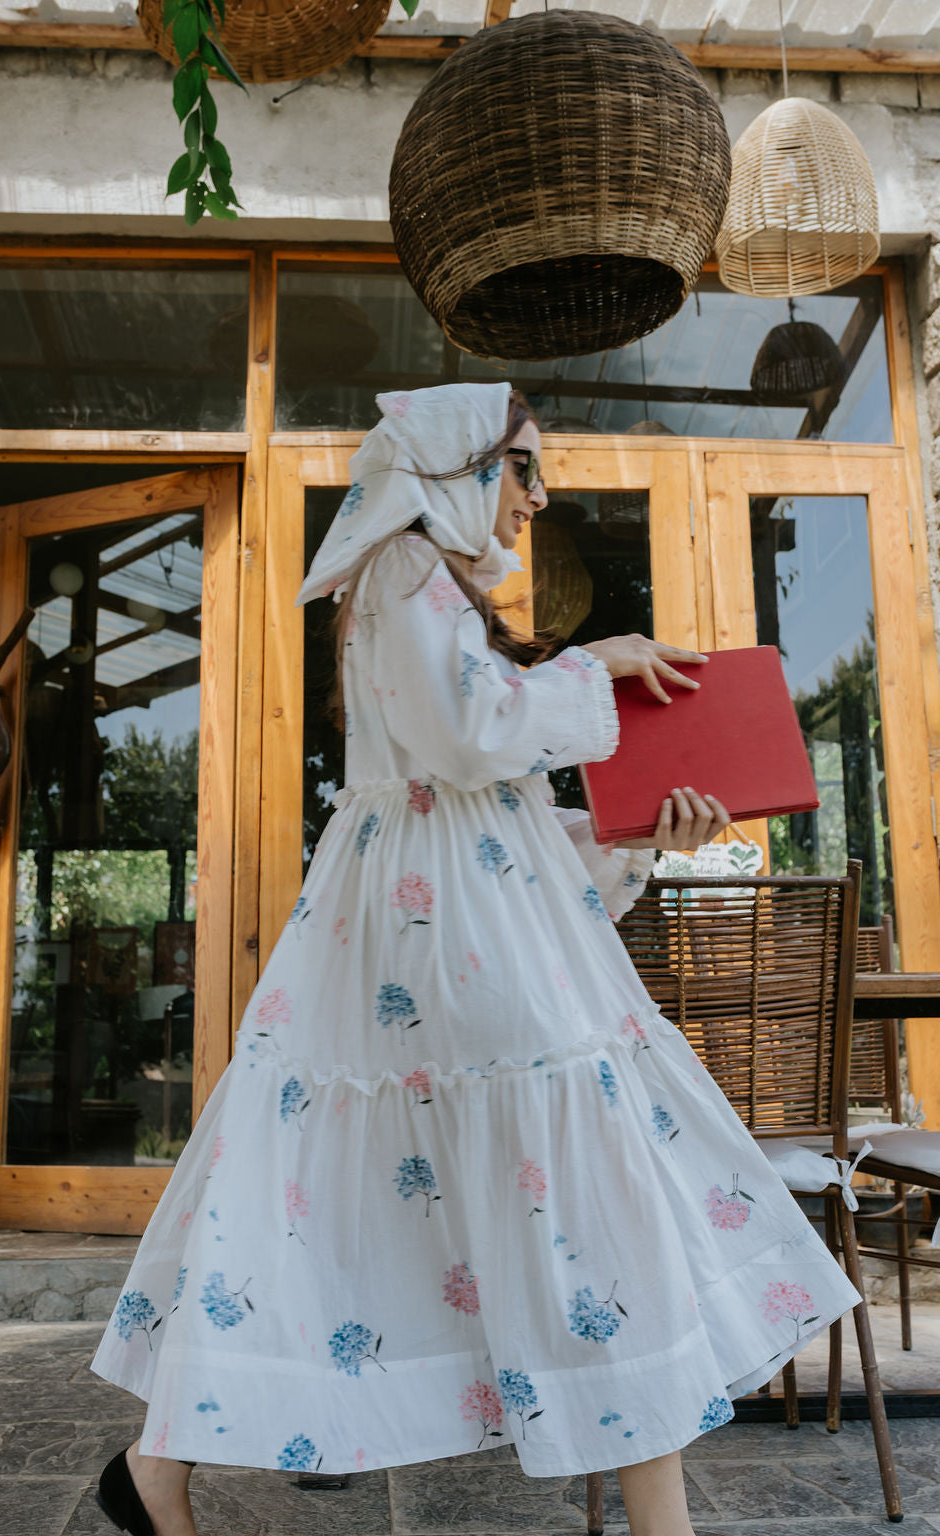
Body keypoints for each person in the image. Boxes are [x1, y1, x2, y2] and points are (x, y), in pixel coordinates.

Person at [90, 383, 860, 1536]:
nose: (537, 497)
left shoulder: (433, 592)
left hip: (452, 922)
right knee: (573, 1192)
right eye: (522, 467)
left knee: (375, 1191)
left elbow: (491, 806)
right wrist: (598, 663)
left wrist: (643, 833)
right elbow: (467, 737)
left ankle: (157, 1472)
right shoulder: (404, 566)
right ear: (454, 468)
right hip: (438, 940)